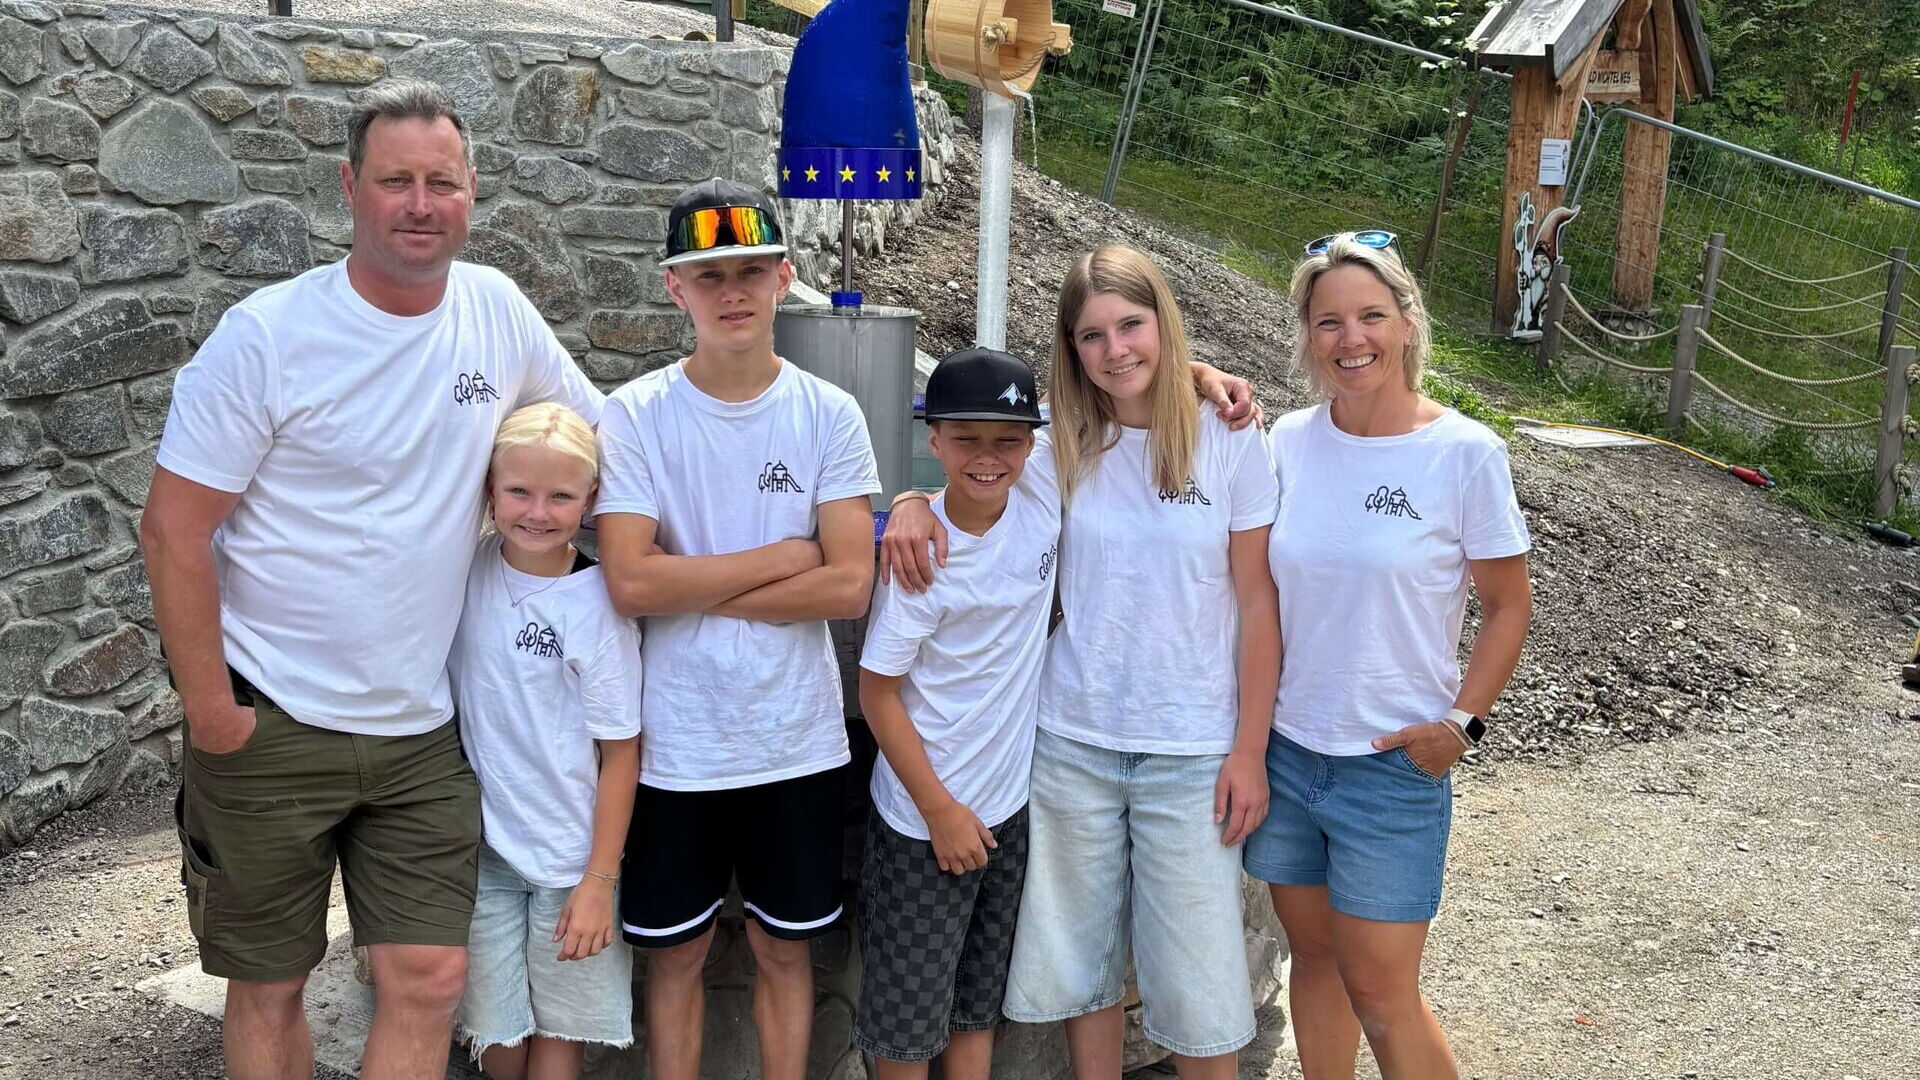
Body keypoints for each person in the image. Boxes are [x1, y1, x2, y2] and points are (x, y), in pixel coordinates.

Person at [139, 78, 603, 1080]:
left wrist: (889, 504)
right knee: (270, 985)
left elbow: (606, 440)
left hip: (421, 731)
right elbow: (174, 531)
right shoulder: (267, 337)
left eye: (442, 181)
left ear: (473, 190)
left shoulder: (495, 311)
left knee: (430, 977)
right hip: (272, 717)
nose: (420, 204)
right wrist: (213, 714)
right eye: (396, 181)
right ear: (349, 187)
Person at [883, 245, 1281, 1080]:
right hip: (1071, 740)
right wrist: (913, 501)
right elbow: (975, 466)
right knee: (1084, 971)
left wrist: (1249, 750)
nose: (1115, 349)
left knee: (1201, 987)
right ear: (1071, 348)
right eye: (1091, 335)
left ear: (1164, 323)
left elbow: (1257, 603)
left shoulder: (1230, 436)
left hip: (1192, 748)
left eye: (1131, 325)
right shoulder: (1060, 442)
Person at [593, 177, 879, 1080]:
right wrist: (782, 558)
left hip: (794, 739)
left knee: (784, 950)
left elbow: (849, 586)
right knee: (674, 955)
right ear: (674, 287)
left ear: (785, 277)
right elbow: (629, 581)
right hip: (675, 742)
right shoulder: (635, 414)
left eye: (751, 271)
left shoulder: (828, 412)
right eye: (709, 274)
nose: (732, 292)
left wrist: (690, 585)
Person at [1246, 232, 1532, 1080]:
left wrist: (1461, 726)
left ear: (1408, 322)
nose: (1351, 339)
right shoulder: (1288, 440)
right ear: (1307, 335)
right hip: (1290, 752)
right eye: (1328, 321)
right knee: (1315, 961)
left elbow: (1509, 605)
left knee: (1382, 991)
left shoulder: (1465, 452)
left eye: (1371, 316)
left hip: (1392, 763)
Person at [855, 347, 1058, 1080]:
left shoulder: (1042, 501)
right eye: (965, 439)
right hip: (923, 820)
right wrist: (939, 811)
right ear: (933, 440)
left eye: (1007, 440)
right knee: (906, 1025)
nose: (987, 456)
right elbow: (876, 692)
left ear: (1031, 445)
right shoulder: (922, 559)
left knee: (978, 1006)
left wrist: (1204, 376)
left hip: (1007, 809)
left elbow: (1115, 388)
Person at [448, 403, 642, 1079]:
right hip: (485, 852)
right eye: (519, 491)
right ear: (489, 491)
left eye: (561, 495)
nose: (537, 512)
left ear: (591, 499)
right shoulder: (466, 568)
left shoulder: (597, 603)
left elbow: (621, 752)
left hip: (572, 857)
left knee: (563, 1026)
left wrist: (599, 879)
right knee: (496, 1029)